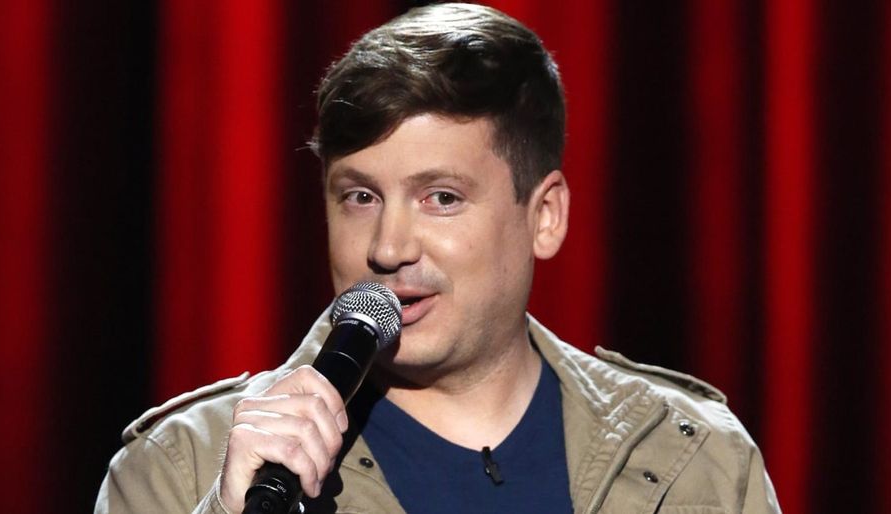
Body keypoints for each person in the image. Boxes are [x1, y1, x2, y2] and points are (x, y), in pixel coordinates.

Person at [96, 3, 780, 513]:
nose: (388, 248)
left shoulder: (695, 458)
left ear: (545, 216)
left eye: (441, 198)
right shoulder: (182, 469)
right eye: (360, 197)